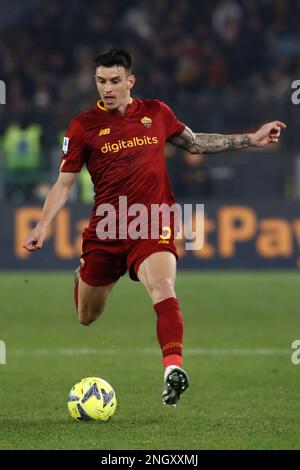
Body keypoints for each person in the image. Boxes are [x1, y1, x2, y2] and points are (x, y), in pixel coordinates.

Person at [23, 48, 286, 406]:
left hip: (152, 223)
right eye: (101, 81)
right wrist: (42, 225)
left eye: (115, 80)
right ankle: (82, 275)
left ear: (130, 81)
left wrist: (249, 139)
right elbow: (64, 183)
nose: (107, 88)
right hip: (108, 228)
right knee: (87, 316)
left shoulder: (156, 113)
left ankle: (172, 370)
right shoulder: (84, 126)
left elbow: (194, 142)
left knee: (163, 286)